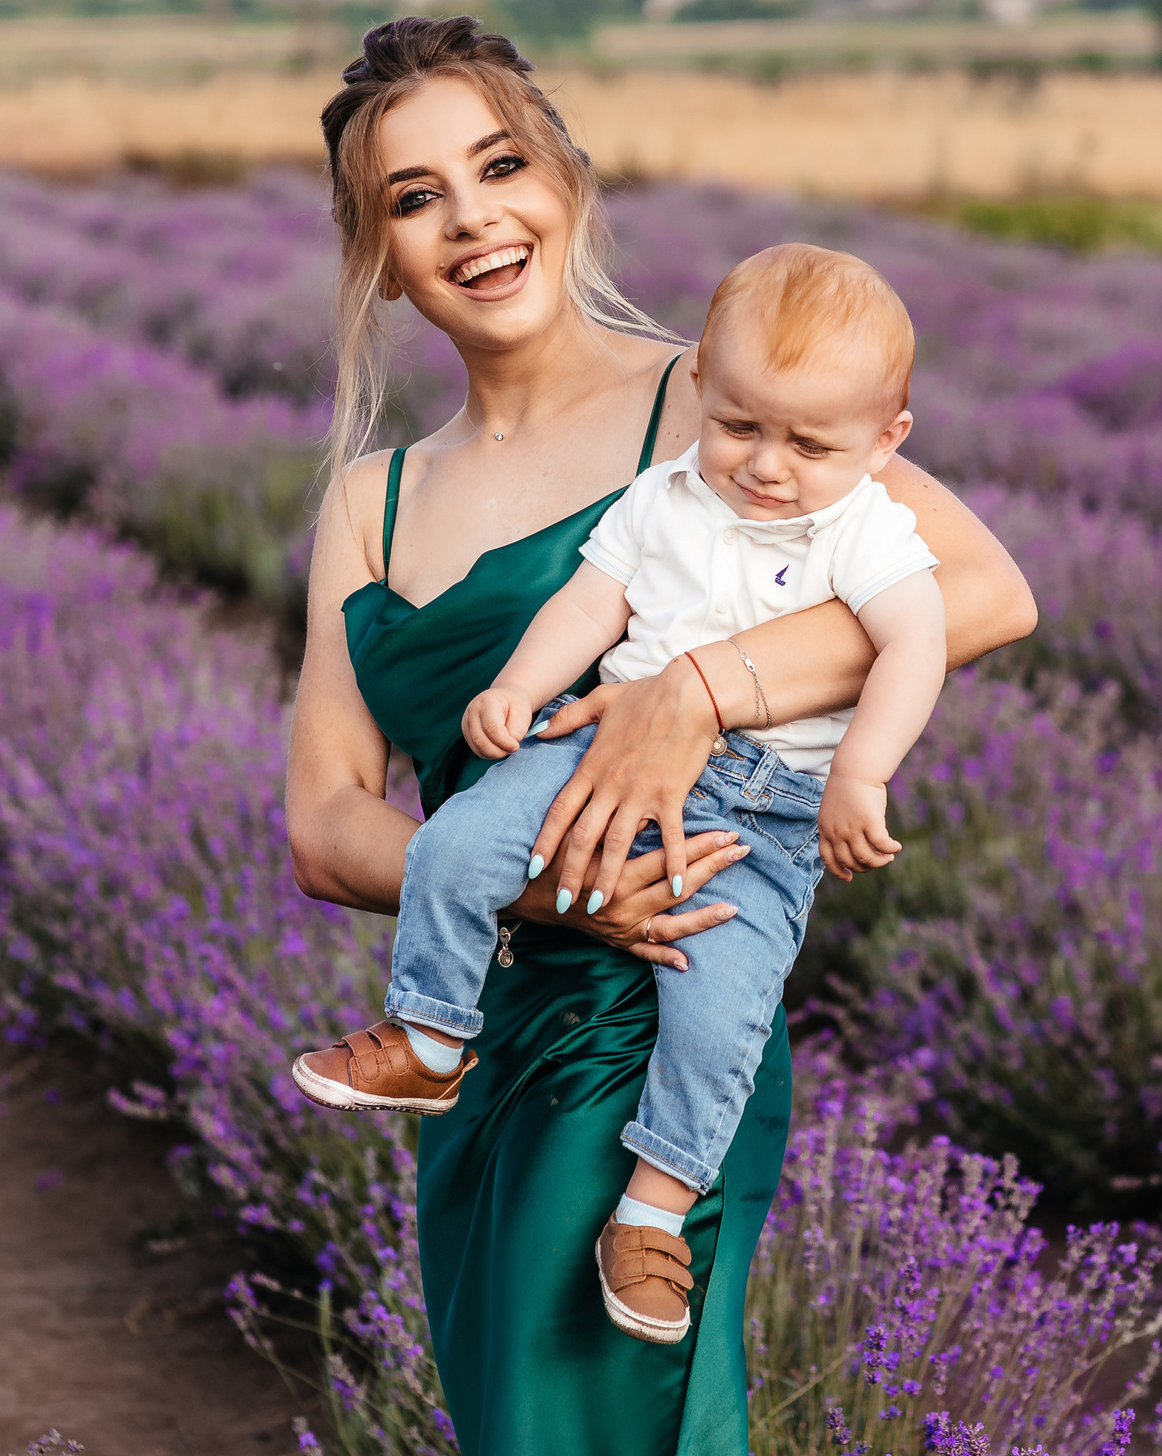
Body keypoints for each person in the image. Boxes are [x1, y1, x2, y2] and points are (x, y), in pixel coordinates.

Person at [283, 16, 1037, 1456]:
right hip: (477, 1018)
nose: (472, 218)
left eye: (500, 164)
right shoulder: (367, 502)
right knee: (518, 1415)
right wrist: (544, 882)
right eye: (413, 195)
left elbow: (984, 590)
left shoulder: (710, 404)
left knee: (605, 1425)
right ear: (374, 251)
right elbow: (325, 821)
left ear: (565, 176)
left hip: (659, 1006)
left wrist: (696, 691)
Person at [292, 241, 946, 1348]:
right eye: (740, 427)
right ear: (701, 389)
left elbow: (918, 643)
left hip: (764, 810)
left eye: (810, 443)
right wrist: (515, 688)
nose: (769, 466)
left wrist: (861, 773)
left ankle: (651, 1213)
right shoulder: (666, 492)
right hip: (586, 754)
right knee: (450, 845)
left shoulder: (866, 525)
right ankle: (432, 1034)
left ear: (887, 442)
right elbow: (591, 604)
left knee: (719, 1011)